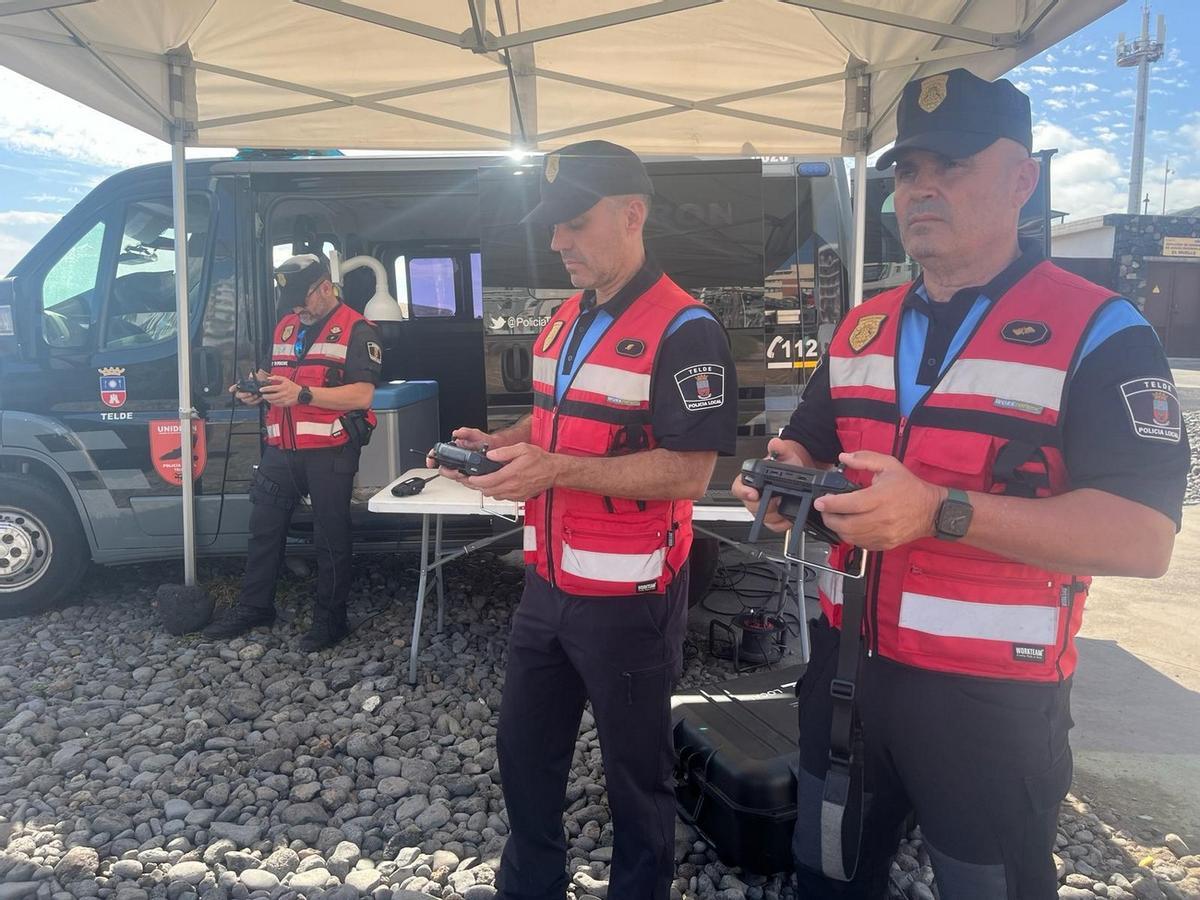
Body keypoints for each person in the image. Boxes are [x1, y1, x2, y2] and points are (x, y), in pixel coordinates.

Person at [733, 68, 1189, 899]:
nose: (922, 189)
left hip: (994, 705)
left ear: (1024, 179)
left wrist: (939, 512)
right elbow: (805, 442)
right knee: (827, 877)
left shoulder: (1101, 331)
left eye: (953, 165)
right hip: (847, 679)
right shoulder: (863, 324)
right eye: (908, 170)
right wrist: (783, 476)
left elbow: (1143, 538)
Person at [436, 140, 738, 900]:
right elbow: (554, 421)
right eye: (553, 225)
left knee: (637, 776)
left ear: (633, 215)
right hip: (546, 582)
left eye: (573, 223)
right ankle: (529, 885)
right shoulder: (567, 317)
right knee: (524, 753)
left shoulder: (686, 328)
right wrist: (495, 445)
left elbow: (691, 470)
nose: (556, 241)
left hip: (631, 599)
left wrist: (555, 471)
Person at [204, 253, 382, 652]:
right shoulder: (287, 325)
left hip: (330, 448)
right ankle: (254, 606)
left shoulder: (359, 329)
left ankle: (330, 621)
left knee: (330, 536)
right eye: (293, 304)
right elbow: (275, 373)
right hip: (281, 448)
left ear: (325, 288)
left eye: (304, 301)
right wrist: (254, 387)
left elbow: (363, 394)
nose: (298, 310)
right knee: (263, 529)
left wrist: (302, 394)